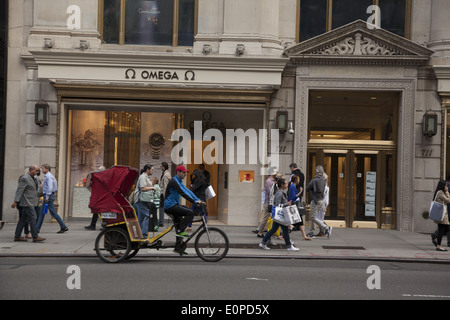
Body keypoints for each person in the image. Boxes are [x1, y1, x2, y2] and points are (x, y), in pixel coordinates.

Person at [164, 165, 202, 254]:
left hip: (173, 205)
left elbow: (188, 191)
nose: (185, 174)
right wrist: (194, 202)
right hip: (170, 206)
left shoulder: (179, 181)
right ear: (178, 172)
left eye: (185, 172)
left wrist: (197, 199)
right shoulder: (174, 181)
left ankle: (178, 248)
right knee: (191, 212)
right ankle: (181, 231)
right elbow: (182, 193)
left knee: (179, 225)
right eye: (183, 172)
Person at [259, 178, 299, 252]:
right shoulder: (279, 193)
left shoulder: (279, 192)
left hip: (279, 215)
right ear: (282, 185)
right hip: (280, 215)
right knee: (285, 230)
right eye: (286, 183)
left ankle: (263, 242)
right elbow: (277, 205)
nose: (287, 185)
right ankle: (289, 246)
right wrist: (287, 204)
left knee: (274, 230)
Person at [11, 165, 45, 243]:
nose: (38, 172)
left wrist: (43, 191)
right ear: (31, 170)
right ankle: (35, 236)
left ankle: (17, 236)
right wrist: (15, 201)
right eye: (36, 170)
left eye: (38, 170)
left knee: (23, 219)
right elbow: (20, 190)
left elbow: (36, 191)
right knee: (33, 217)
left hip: (33, 201)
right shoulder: (24, 178)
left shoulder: (35, 178)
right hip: (27, 202)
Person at [36, 164, 68, 234]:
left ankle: (63, 226)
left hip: (48, 196)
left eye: (43, 168)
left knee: (52, 212)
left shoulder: (48, 176)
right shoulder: (49, 176)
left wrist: (47, 196)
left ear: (47, 169)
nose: (42, 170)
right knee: (42, 213)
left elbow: (50, 187)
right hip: (49, 196)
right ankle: (36, 229)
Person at [305, 165, 332, 239]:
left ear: (317, 171)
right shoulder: (323, 180)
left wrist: (311, 189)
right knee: (314, 216)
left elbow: (307, 188)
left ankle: (326, 228)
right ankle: (311, 232)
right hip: (320, 200)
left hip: (315, 200)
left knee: (313, 217)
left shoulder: (315, 180)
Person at [135, 164, 156, 238]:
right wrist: (152, 188)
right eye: (152, 170)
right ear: (147, 169)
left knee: (140, 218)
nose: (153, 171)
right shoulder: (143, 177)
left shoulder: (146, 177)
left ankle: (138, 233)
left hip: (143, 200)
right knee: (148, 215)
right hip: (140, 200)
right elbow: (143, 188)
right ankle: (144, 234)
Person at [257, 167, 278, 238]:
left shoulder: (274, 181)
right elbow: (270, 192)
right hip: (268, 202)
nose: (277, 172)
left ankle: (273, 231)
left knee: (275, 217)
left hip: (272, 202)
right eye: (275, 171)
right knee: (265, 217)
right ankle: (260, 232)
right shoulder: (268, 181)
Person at [288, 175, 311, 240]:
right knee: (297, 221)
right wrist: (300, 192)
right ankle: (286, 233)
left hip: (294, 206)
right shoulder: (293, 186)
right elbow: (293, 197)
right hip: (294, 206)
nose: (299, 180)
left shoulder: (293, 186)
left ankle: (304, 236)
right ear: (295, 180)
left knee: (299, 221)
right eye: (298, 179)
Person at [431, 175, 450, 247]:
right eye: (445, 186)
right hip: (441, 214)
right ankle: (438, 243)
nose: (446, 187)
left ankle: (436, 239)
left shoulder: (440, 192)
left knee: (445, 229)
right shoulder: (440, 193)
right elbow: (448, 200)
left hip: (444, 214)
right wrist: (447, 192)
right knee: (443, 229)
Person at [316, 173, 330, 237]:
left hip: (322, 203)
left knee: (319, 218)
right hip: (323, 203)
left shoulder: (324, 186)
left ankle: (326, 229)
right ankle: (322, 231)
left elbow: (322, 196)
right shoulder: (325, 185)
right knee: (320, 218)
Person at [159, 162, 171, 227]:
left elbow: (166, 186)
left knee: (163, 208)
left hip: (164, 194)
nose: (161, 167)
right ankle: (161, 221)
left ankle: (161, 222)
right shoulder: (165, 173)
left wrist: (165, 195)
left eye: (161, 166)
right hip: (163, 193)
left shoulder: (166, 175)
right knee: (162, 207)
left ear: (164, 166)